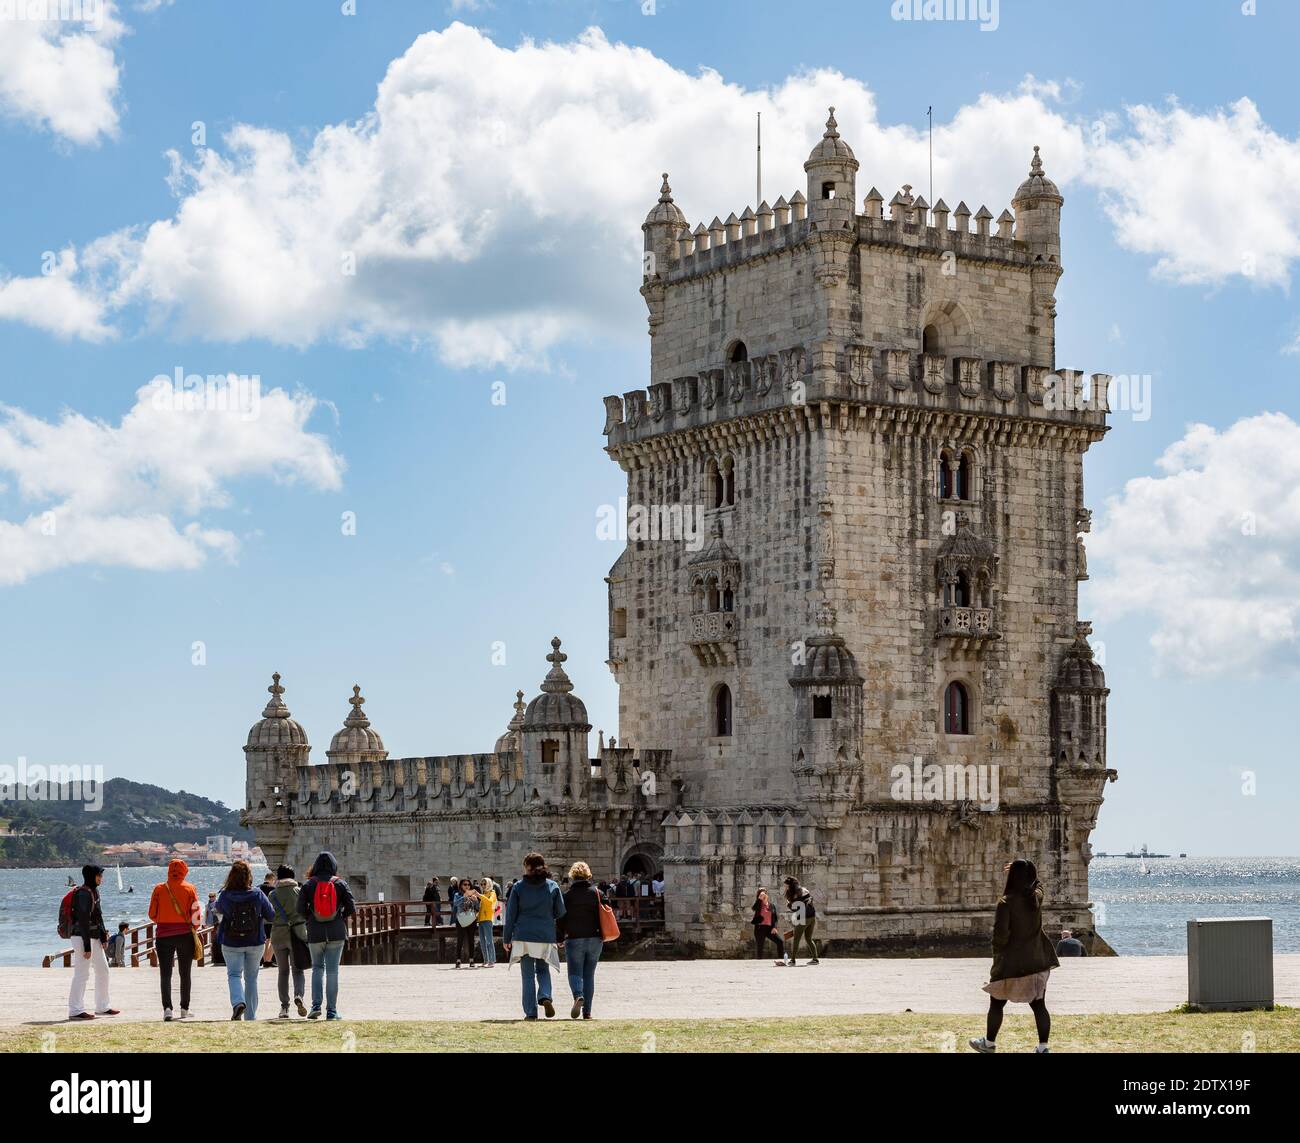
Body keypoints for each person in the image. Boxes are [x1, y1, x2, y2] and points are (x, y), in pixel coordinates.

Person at [970, 859, 1060, 1054]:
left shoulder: (1006, 903)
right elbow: (1039, 885)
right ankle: (1043, 1047)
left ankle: (989, 1043)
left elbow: (1000, 936)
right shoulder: (1035, 898)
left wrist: (997, 956)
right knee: (1039, 1005)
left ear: (1012, 877)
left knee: (996, 1002)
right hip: (1038, 960)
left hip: (1011, 963)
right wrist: (1030, 873)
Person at [502, 852, 566, 1020]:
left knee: (528, 976)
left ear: (527, 867)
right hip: (545, 934)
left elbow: (510, 916)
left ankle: (531, 1013)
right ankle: (545, 996)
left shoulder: (518, 887)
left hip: (524, 935)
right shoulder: (552, 886)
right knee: (543, 970)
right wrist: (560, 936)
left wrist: (506, 938)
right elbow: (560, 913)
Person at [298, 851, 356, 1020]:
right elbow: (352, 907)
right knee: (332, 971)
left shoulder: (308, 885)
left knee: (317, 968)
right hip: (336, 932)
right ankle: (331, 1011)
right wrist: (339, 916)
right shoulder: (340, 884)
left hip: (315, 932)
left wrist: (312, 917)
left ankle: (316, 1006)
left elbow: (300, 910)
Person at [214, 859, 275, 1020]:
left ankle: (238, 1002)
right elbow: (271, 915)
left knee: (234, 975)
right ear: (249, 876)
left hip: (231, 941)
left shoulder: (225, 895)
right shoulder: (257, 894)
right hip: (255, 941)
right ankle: (251, 1016)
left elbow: (218, 912)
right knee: (251, 978)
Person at [148, 858, 200, 1020]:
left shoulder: (159, 889)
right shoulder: (190, 888)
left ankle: (167, 1009)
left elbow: (152, 914)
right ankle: (184, 1009)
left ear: (169, 871)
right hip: (184, 935)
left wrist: (164, 921)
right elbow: (196, 917)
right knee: (185, 973)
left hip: (163, 936)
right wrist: (192, 928)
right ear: (184, 871)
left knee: (165, 974)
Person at [67, 864, 119, 1021]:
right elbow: (83, 921)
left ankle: (102, 1006)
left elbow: (98, 916)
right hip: (82, 937)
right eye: (99, 875)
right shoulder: (83, 893)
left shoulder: (93, 891)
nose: (101, 878)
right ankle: (75, 1010)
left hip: (93, 937)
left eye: (101, 875)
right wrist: (87, 947)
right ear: (91, 876)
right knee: (82, 974)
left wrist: (103, 937)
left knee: (103, 970)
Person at [557, 861, 604, 1019]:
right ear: (588, 875)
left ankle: (578, 995)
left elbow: (561, 918)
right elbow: (607, 910)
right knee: (589, 975)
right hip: (595, 937)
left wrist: (559, 936)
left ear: (572, 876)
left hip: (575, 938)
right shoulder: (597, 893)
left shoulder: (567, 896)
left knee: (575, 972)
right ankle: (587, 1012)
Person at [268, 864, 310, 1018]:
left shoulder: (272, 894)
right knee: (297, 969)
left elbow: (269, 915)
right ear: (292, 877)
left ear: (278, 877)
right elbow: (306, 911)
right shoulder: (299, 891)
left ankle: (284, 1007)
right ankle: (299, 996)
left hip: (278, 934)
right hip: (297, 934)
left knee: (283, 972)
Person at [783, 876, 819, 965]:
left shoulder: (794, 894)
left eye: (786, 886)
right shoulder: (804, 890)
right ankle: (815, 959)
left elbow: (796, 909)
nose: (786, 887)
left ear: (790, 885)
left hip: (803, 918)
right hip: (812, 917)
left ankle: (793, 960)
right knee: (808, 939)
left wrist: (789, 905)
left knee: (796, 939)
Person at [751, 887, 791, 966]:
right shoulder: (758, 904)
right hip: (760, 928)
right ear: (758, 895)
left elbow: (775, 918)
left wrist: (774, 927)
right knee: (760, 946)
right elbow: (754, 908)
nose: (763, 895)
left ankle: (780, 961)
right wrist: (759, 899)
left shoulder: (771, 905)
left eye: (764, 893)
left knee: (780, 942)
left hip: (769, 928)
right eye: (761, 894)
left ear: (767, 894)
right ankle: (759, 964)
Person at [453, 879, 480, 967]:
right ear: (461, 885)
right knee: (460, 940)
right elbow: (455, 904)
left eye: (468, 884)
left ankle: (471, 960)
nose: (467, 886)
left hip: (471, 920)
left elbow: (477, 908)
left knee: (471, 940)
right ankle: (458, 960)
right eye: (465, 884)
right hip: (461, 920)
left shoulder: (473, 895)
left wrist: (476, 901)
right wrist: (464, 896)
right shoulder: (457, 894)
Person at [258, 869, 279, 967]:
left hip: (260, 919)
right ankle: (268, 960)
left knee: (265, 940)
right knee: (273, 940)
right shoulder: (273, 890)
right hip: (271, 918)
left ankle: (264, 959)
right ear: (272, 879)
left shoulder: (258, 889)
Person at [476, 878, 498, 967]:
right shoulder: (484, 894)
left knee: (489, 941)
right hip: (480, 920)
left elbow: (489, 903)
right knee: (482, 941)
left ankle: (492, 961)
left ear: (489, 884)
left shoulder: (492, 893)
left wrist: (479, 895)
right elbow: (481, 908)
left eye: (485, 884)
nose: (483, 886)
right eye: (482, 884)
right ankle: (486, 960)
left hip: (488, 919)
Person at [204, 891, 223, 966]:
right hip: (210, 921)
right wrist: (204, 922)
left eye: (212, 896)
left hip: (216, 922)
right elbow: (206, 913)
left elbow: (220, 913)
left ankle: (212, 950)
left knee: (214, 936)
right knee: (211, 936)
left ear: (215, 897)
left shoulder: (217, 903)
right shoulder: (207, 905)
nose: (211, 898)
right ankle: (210, 950)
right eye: (210, 896)